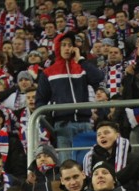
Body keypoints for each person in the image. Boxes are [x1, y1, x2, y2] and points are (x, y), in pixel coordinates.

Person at [36, 31, 104, 159]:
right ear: (57, 47)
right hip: (62, 126)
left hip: (85, 123)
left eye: (70, 45)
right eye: (64, 45)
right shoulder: (48, 72)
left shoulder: (81, 67)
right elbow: (40, 101)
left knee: (88, 164)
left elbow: (98, 77)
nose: (67, 48)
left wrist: (81, 60)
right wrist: (51, 122)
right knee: (66, 165)